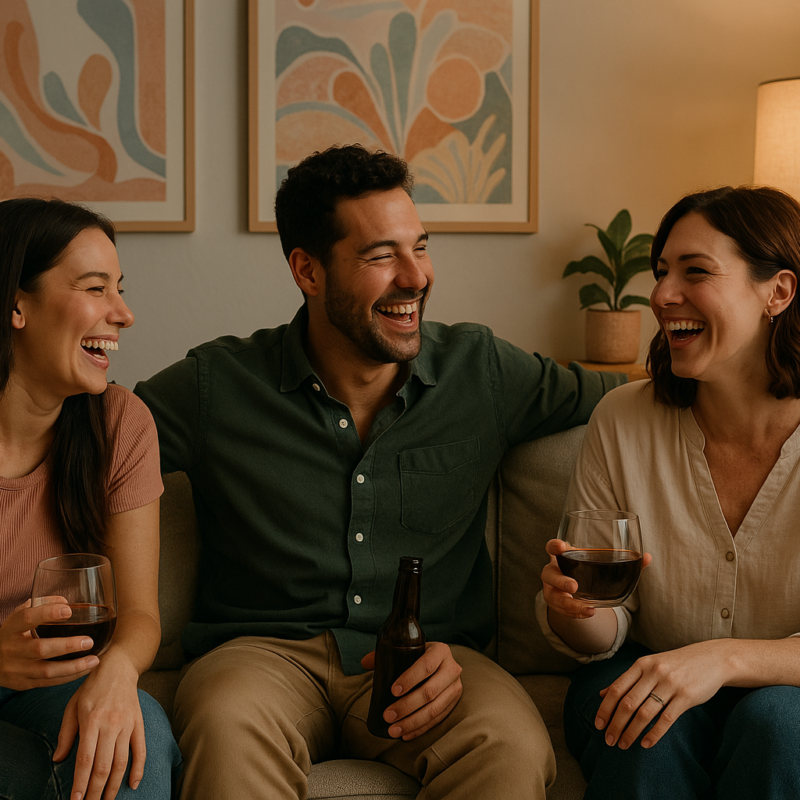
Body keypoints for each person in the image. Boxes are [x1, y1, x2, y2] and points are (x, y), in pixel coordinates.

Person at [134, 143, 625, 800]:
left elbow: (629, 397)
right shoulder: (214, 384)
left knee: (510, 746)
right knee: (225, 730)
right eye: (380, 256)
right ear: (308, 271)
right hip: (259, 658)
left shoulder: (481, 369)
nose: (415, 276)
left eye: (419, 247)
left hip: (438, 661)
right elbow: (90, 439)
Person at [538, 185, 800, 799]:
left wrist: (722, 660)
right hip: (643, 669)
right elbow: (608, 626)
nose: (660, 295)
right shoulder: (623, 419)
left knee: (781, 724)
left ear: (778, 293)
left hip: (786, 698)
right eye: (661, 273)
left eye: (696, 271)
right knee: (639, 724)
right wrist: (574, 609)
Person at [0, 198, 182, 800]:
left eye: (119, 289)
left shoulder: (120, 425)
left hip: (51, 692)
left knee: (138, 737)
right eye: (96, 288)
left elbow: (138, 615)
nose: (123, 314)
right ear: (16, 304)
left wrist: (119, 672)